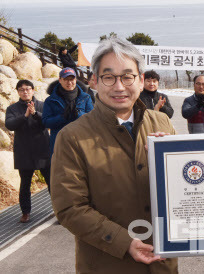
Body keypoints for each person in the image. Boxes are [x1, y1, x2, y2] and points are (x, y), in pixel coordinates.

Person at [50, 37, 178, 273]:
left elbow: (183, 192)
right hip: (107, 264)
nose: (119, 87)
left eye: (128, 76)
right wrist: (124, 243)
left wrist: (175, 162)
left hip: (163, 264)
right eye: (109, 77)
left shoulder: (161, 122)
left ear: (140, 80)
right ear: (95, 82)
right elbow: (70, 208)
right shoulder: (73, 137)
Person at [5, 80, 51, 223]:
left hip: (43, 149)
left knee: (52, 182)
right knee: (25, 184)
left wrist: (35, 113)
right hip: (24, 151)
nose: (25, 92)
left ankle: (59, 209)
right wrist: (25, 115)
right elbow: (10, 125)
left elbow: (48, 122)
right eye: (22, 90)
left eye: (28, 89)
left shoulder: (43, 105)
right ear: (18, 92)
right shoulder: (12, 108)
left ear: (33, 90)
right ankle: (25, 212)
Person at [42, 67, 93, 156]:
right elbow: (46, 122)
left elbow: (92, 120)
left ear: (76, 80)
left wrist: (79, 114)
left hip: (81, 143)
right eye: (66, 79)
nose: (69, 82)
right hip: (59, 143)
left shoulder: (85, 97)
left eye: (71, 79)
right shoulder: (50, 100)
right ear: (60, 80)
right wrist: (62, 117)